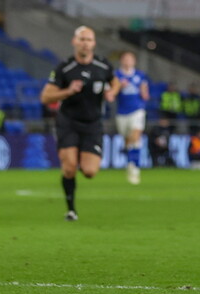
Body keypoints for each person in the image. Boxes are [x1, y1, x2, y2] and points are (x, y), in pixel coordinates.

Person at [39, 26, 119, 221]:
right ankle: (71, 210)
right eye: (82, 39)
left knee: (90, 171)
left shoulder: (103, 66)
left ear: (94, 44)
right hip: (68, 122)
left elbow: (115, 81)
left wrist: (112, 92)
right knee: (69, 168)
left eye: (89, 40)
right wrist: (67, 91)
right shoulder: (64, 68)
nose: (85, 43)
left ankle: (81, 160)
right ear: (74, 42)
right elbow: (45, 97)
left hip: (92, 124)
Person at [115, 51, 150, 185]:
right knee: (128, 141)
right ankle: (131, 161)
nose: (128, 61)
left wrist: (143, 90)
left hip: (137, 110)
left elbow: (145, 96)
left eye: (131, 58)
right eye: (126, 58)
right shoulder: (116, 76)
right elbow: (111, 94)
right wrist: (119, 86)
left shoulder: (140, 75)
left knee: (136, 137)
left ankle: (134, 167)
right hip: (122, 112)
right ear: (121, 61)